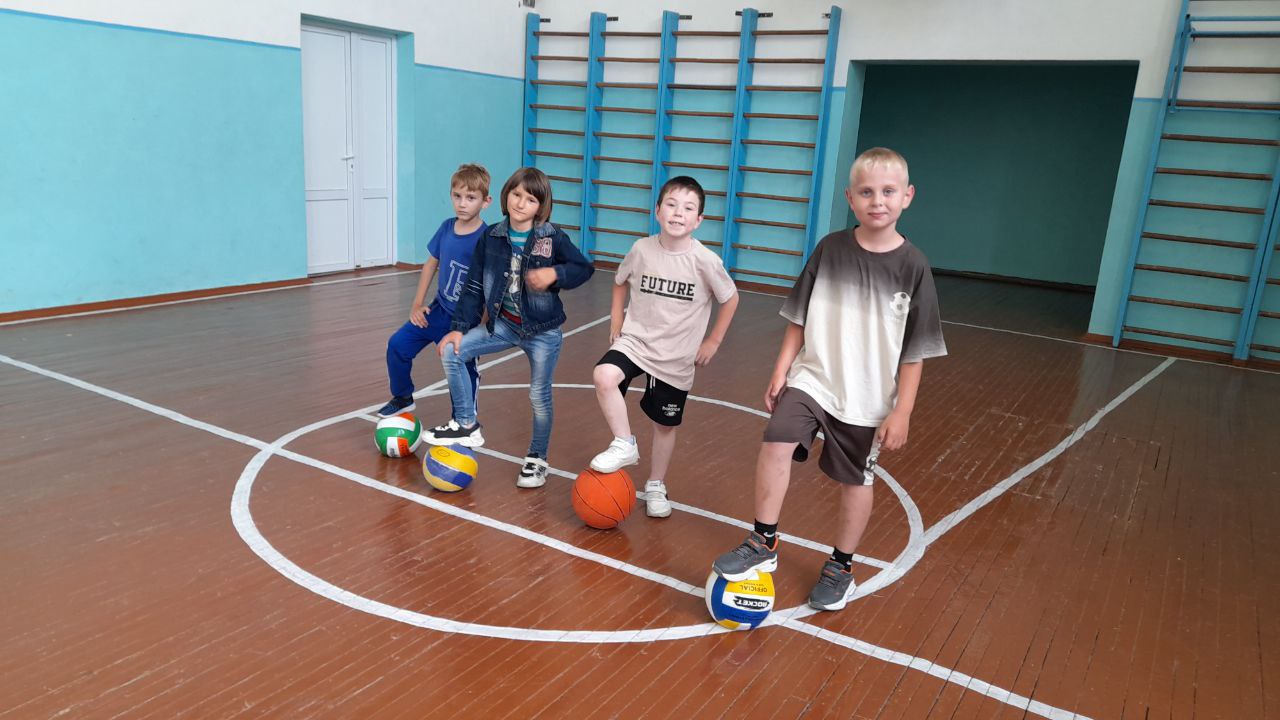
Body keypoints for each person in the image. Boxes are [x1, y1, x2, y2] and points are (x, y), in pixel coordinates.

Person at [712, 147, 947, 611]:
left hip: (867, 399)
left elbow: (915, 352)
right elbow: (799, 317)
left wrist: (902, 411)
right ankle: (763, 541)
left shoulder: (914, 266)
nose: (877, 201)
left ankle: (841, 566)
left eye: (888, 191)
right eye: (866, 192)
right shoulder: (830, 249)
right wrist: (781, 369)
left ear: (907, 196)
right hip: (813, 379)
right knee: (777, 439)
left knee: (856, 482)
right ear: (850, 198)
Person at [425, 166, 594, 489]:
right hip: (503, 326)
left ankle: (537, 458)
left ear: (540, 206)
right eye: (516, 194)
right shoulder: (492, 237)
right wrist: (459, 327)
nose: (520, 203)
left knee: (538, 395)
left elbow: (583, 268)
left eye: (530, 199)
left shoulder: (551, 237)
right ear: (506, 196)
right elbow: (473, 286)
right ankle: (466, 423)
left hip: (543, 332)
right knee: (451, 350)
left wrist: (555, 274)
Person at [589, 175, 739, 518]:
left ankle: (656, 484)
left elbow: (730, 299)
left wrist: (713, 340)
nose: (678, 213)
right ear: (657, 211)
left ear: (698, 220)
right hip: (636, 340)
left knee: (665, 425)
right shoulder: (641, 249)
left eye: (688, 208)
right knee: (604, 376)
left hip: (676, 355)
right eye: (671, 205)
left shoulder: (705, 261)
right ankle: (624, 443)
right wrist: (616, 318)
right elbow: (619, 281)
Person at [377, 164, 489, 418]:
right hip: (438, 311)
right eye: (457, 196)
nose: (462, 203)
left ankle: (463, 420)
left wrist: (482, 326)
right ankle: (402, 397)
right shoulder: (447, 227)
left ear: (485, 202)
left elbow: (490, 285)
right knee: (397, 345)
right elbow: (430, 264)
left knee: (460, 368)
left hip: (465, 322)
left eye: (470, 198)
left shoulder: (487, 239)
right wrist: (417, 304)